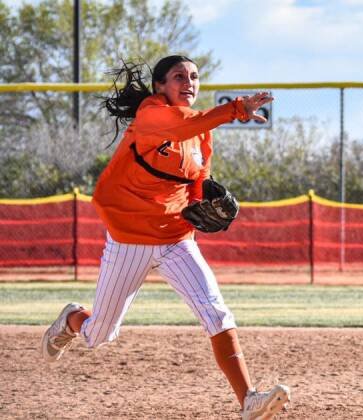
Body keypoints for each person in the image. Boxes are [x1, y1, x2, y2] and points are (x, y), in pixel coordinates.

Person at [41, 55, 290, 420]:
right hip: (130, 237)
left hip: (176, 236)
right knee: (100, 335)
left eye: (194, 76)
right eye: (179, 76)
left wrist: (206, 201)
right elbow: (186, 124)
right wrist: (236, 109)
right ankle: (73, 319)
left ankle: (248, 400)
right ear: (160, 86)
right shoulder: (152, 114)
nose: (188, 82)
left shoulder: (201, 134)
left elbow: (196, 179)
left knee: (215, 312)